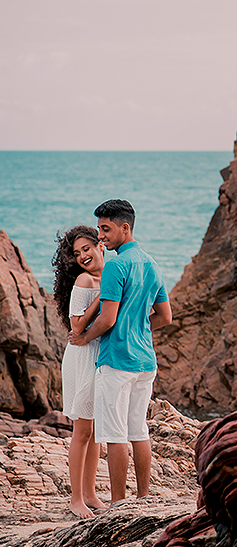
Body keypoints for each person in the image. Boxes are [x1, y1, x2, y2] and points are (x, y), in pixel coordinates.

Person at [69, 199, 172, 504]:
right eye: (99, 229)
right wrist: (138, 328)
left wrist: (85, 338)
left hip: (116, 360)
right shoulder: (152, 264)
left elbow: (108, 319)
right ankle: (143, 497)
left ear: (125, 227)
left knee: (115, 435)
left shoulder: (116, 265)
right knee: (138, 431)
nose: (101, 236)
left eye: (106, 229)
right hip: (145, 361)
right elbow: (165, 317)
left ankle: (118, 504)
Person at [52, 225, 107, 518]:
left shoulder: (107, 276)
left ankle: (90, 493)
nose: (83, 256)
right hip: (82, 356)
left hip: (98, 354)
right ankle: (76, 499)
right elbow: (76, 326)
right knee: (82, 430)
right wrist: (101, 296)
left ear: (101, 245)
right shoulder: (85, 281)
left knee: (94, 431)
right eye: (77, 253)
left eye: (87, 248)